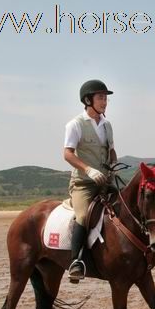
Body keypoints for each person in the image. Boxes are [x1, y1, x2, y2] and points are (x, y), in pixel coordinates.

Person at [63, 80, 117, 283]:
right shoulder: (75, 124)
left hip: (105, 180)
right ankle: (75, 262)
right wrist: (88, 169)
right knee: (84, 216)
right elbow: (67, 154)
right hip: (84, 183)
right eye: (101, 97)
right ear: (88, 100)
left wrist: (113, 166)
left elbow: (111, 151)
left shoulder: (107, 125)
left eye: (106, 98)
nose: (105, 101)